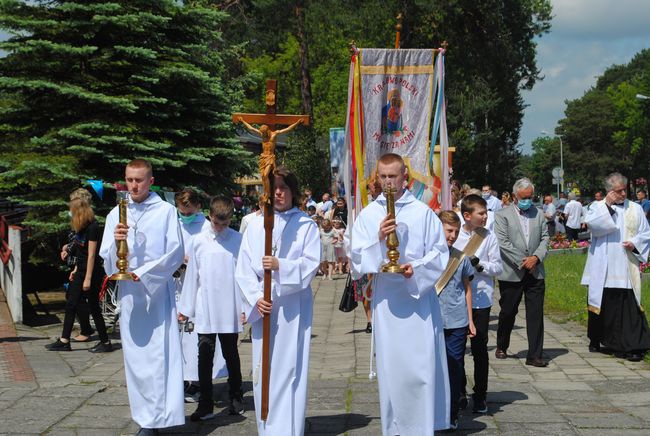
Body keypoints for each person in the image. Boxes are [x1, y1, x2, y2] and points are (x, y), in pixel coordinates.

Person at [350, 153, 450, 434]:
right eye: (382, 176)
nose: (387, 182)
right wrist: (378, 239)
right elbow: (356, 259)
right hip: (387, 300)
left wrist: (414, 269)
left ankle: (422, 426)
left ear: (405, 176)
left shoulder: (423, 212)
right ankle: (394, 428)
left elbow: (440, 253)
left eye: (393, 176)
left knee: (420, 369)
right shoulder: (370, 215)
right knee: (393, 370)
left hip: (417, 299)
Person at [99, 159, 185, 435]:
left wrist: (144, 273)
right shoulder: (116, 213)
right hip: (130, 297)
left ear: (150, 180)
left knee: (159, 357)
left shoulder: (166, 212)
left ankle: (158, 419)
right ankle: (144, 418)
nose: (133, 186)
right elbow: (106, 260)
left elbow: (175, 252)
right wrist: (116, 241)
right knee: (136, 361)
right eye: (129, 180)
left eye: (138, 180)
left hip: (157, 294)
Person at [235, 166, 321, 435]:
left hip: (293, 307)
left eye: (284, 187)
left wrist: (280, 265)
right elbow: (243, 267)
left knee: (290, 366)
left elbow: (310, 265)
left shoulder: (305, 225)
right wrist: (256, 298)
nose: (279, 192)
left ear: (293, 192)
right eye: (274, 188)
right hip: (266, 306)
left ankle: (290, 427)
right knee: (265, 368)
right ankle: (267, 427)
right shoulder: (255, 224)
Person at [178, 196, 245, 421]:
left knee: (230, 353)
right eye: (217, 223)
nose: (221, 228)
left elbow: (245, 276)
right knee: (204, 355)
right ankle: (205, 403)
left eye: (225, 224)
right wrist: (186, 308)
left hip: (229, 305)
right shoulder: (198, 241)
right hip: (205, 306)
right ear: (210, 216)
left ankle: (236, 396)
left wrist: (245, 306)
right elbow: (192, 277)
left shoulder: (238, 240)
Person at [581, 173, 650, 361]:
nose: (622, 194)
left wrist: (635, 243)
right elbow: (595, 228)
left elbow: (646, 233)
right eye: (618, 191)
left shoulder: (635, 208)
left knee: (627, 305)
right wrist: (608, 207)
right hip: (603, 262)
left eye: (624, 190)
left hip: (625, 263)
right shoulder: (597, 207)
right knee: (603, 303)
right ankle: (600, 339)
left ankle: (632, 344)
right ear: (609, 191)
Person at [453, 194, 502, 414]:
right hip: (457, 298)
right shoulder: (454, 236)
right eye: (481, 213)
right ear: (467, 215)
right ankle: (459, 391)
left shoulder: (488, 236)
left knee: (480, 348)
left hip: (481, 298)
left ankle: (480, 395)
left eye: (486, 213)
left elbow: (498, 267)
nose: (485, 217)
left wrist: (480, 265)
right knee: (456, 348)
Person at [494, 178, 550, 367]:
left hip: (536, 271)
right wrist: (523, 262)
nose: (528, 200)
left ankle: (534, 354)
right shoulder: (502, 215)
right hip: (512, 271)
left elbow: (545, 238)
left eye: (530, 197)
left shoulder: (539, 214)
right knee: (508, 311)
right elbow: (503, 243)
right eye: (524, 197)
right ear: (515, 196)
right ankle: (502, 344)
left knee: (535, 314)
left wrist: (536, 257)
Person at [46, 194, 113, 353]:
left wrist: (87, 279)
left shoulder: (93, 228)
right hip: (81, 270)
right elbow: (80, 253)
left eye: (73, 210)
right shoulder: (81, 228)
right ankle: (64, 340)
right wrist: (76, 270)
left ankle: (105, 341)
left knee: (94, 307)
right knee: (71, 304)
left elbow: (91, 255)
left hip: (91, 272)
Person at [174, 188, 221, 403]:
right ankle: (181, 379)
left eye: (189, 212)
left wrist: (189, 261)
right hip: (176, 285)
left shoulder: (205, 227)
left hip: (198, 287)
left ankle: (197, 382)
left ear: (198, 208)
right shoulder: (175, 224)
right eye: (182, 212)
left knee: (194, 335)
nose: (185, 216)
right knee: (178, 336)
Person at [437, 211, 476, 431]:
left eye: (456, 232)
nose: (452, 235)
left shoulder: (461, 258)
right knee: (435, 368)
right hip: (433, 321)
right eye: (448, 230)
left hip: (457, 321)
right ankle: (435, 410)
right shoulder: (428, 257)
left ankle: (451, 415)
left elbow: (467, 289)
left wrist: (470, 320)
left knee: (454, 367)